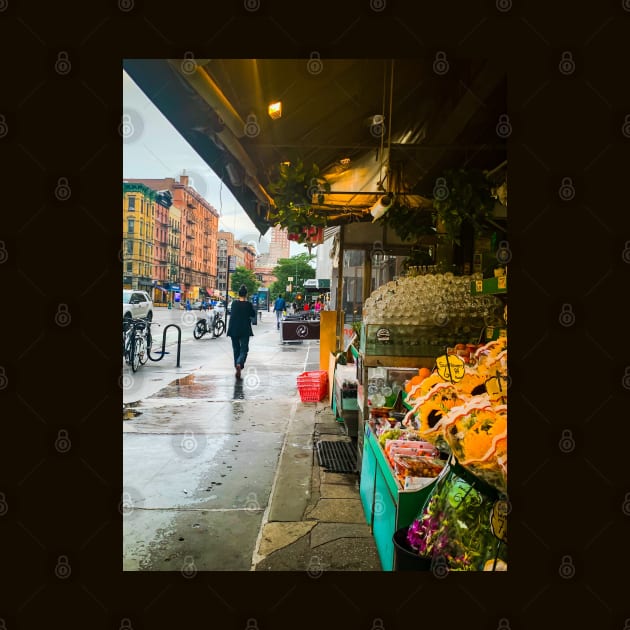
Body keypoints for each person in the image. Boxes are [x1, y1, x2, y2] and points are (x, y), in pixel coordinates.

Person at [226, 284, 256, 379]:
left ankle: (237, 366)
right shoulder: (248, 304)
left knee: (236, 349)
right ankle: (239, 363)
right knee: (244, 349)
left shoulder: (234, 303)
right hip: (244, 330)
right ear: (246, 295)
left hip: (233, 329)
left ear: (239, 294)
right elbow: (253, 314)